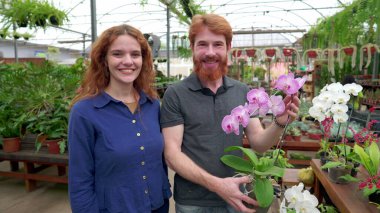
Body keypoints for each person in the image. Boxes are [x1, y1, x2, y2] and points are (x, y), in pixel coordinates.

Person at [160, 14, 300, 213]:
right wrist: (217, 185)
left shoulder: (242, 91)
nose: (210, 52)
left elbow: (259, 143)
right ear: (192, 48)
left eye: (217, 44)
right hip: (193, 202)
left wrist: (279, 122)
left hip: (235, 197)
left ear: (228, 48)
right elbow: (172, 154)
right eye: (202, 45)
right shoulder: (176, 94)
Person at [68, 24, 171, 213]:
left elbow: (159, 162)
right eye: (117, 54)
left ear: (143, 60)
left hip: (158, 206)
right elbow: (80, 180)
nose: (128, 61)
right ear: (104, 60)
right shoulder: (84, 112)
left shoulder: (152, 105)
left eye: (135, 54)